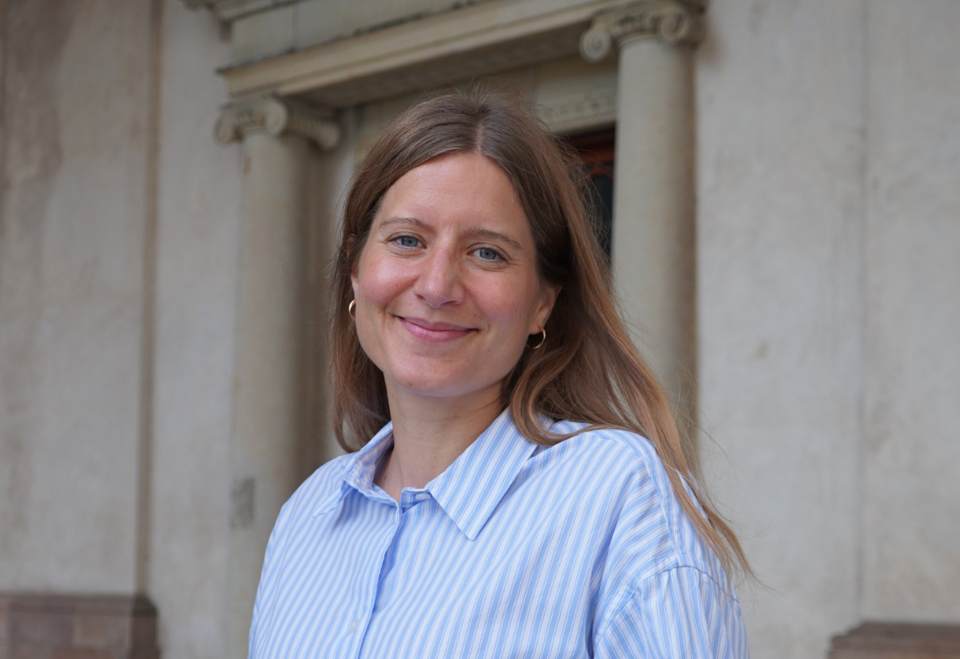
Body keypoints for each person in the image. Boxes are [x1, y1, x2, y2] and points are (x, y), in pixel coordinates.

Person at [247, 90, 750, 658]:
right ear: (356, 272)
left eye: (487, 253)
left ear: (542, 303)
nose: (437, 286)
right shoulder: (306, 516)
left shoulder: (621, 499)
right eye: (407, 240)